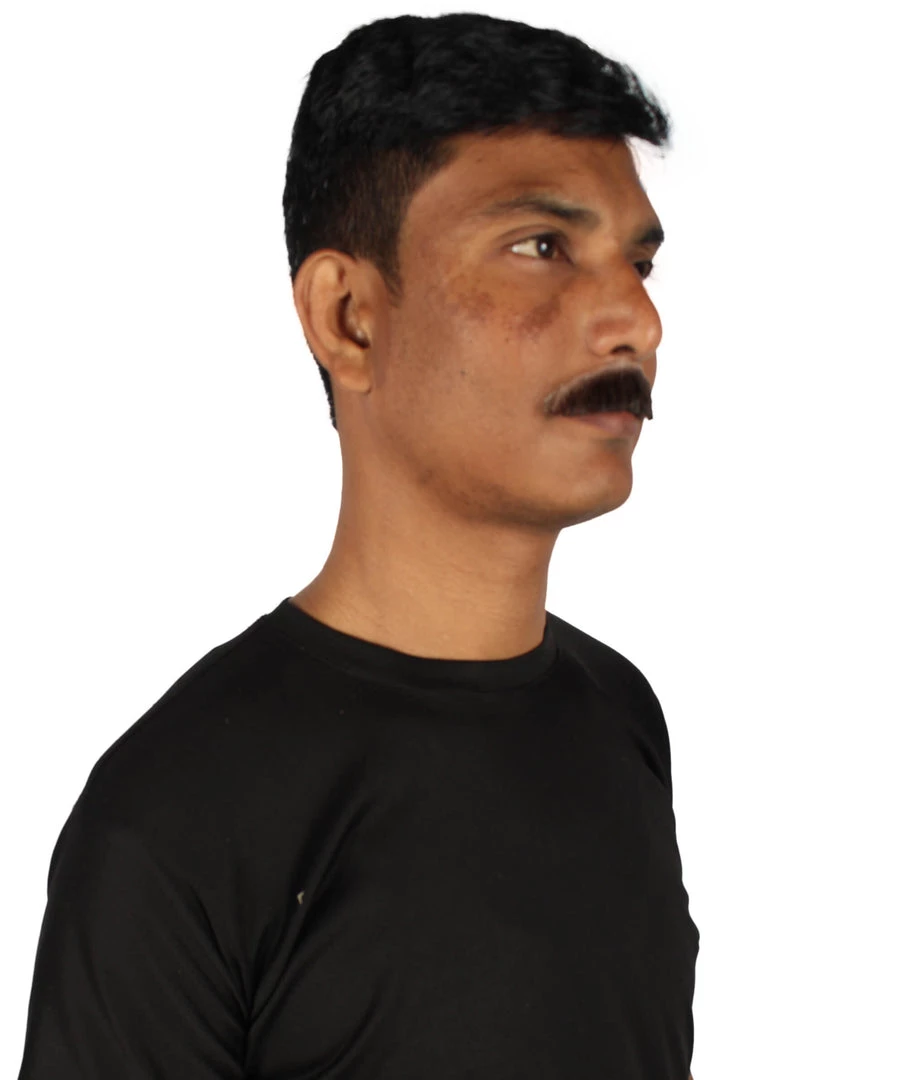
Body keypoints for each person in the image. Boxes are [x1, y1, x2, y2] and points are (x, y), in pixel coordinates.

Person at [17, 12, 699, 1079]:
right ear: (348, 318)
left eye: (638, 263)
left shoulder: (618, 717)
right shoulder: (178, 816)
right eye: (540, 248)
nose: (634, 323)